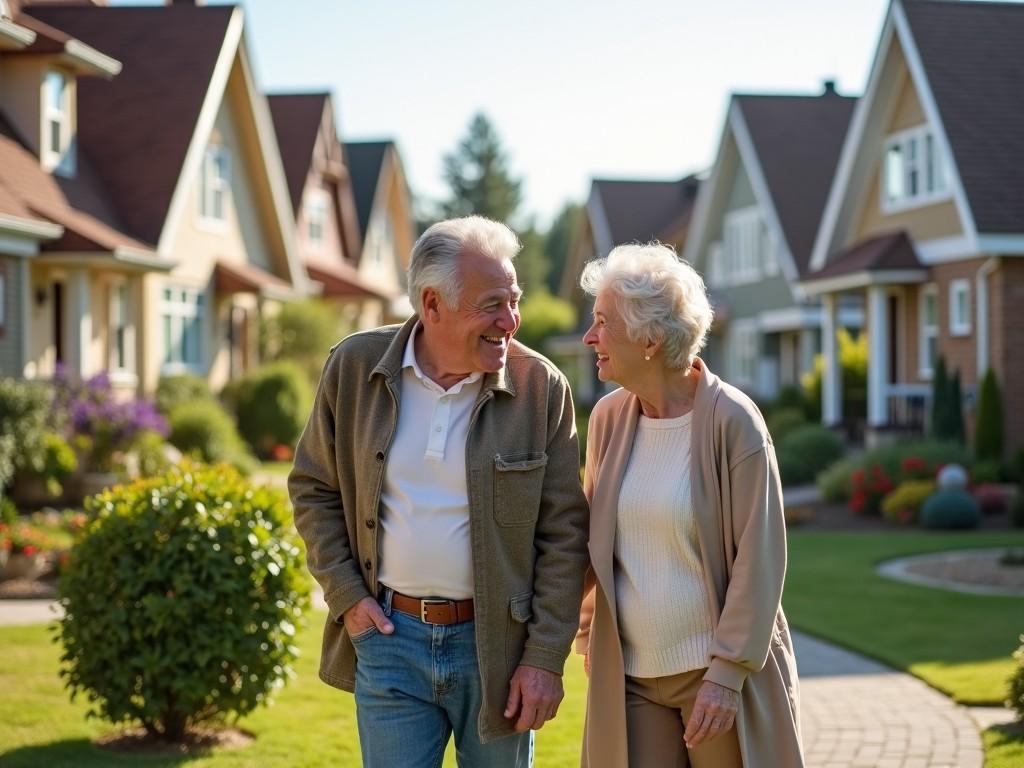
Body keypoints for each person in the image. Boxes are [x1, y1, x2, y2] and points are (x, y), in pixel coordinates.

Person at [288, 215, 589, 768]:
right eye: (492, 304)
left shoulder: (540, 388)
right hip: (388, 639)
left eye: (514, 300)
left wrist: (545, 657)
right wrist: (348, 598)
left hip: (498, 651)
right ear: (432, 305)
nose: (510, 320)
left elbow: (566, 534)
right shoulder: (353, 368)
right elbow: (313, 488)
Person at [574, 243, 803, 767]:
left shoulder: (733, 422)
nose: (590, 338)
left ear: (650, 338)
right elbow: (595, 541)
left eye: (604, 323)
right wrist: (588, 630)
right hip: (630, 677)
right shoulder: (609, 418)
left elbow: (759, 561)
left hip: (714, 677)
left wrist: (726, 674)